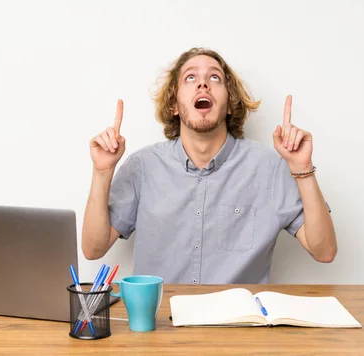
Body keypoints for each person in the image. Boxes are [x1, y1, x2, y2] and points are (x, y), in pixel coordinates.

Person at [81, 47, 337, 284]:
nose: (203, 83)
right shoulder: (142, 167)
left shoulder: (269, 168)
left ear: (229, 104)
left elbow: (324, 251)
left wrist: (303, 169)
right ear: (173, 106)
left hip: (238, 326)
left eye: (214, 78)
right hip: (160, 327)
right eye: (190, 78)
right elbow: (93, 249)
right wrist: (102, 172)